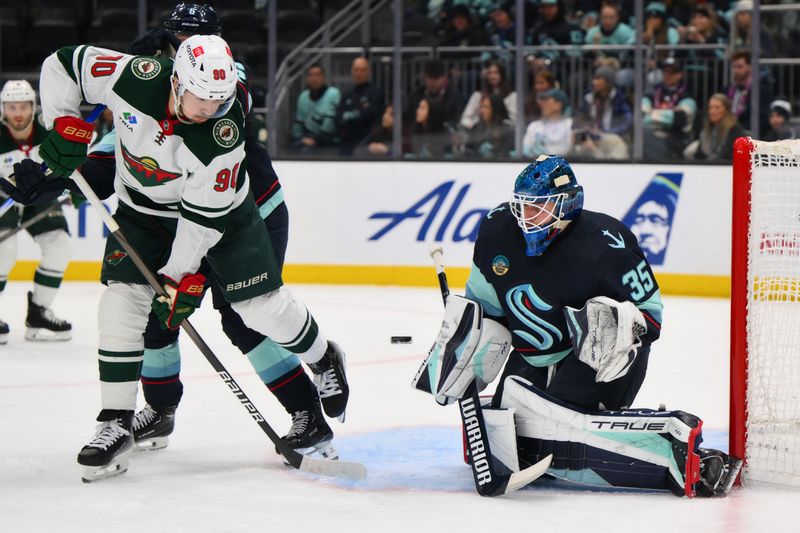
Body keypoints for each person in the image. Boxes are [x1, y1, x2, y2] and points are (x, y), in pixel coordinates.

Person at [25, 34, 350, 482]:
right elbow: (62, 63)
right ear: (176, 81)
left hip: (224, 221)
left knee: (258, 310)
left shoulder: (221, 135)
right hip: (142, 215)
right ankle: (114, 422)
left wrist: (178, 278)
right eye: (202, 99)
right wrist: (61, 125)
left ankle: (323, 356)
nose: (210, 110)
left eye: (220, 101)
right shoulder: (135, 77)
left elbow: (200, 224)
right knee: (121, 303)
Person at [90, 3, 335, 459]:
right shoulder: (167, 75)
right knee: (158, 316)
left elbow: (180, 138)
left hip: (247, 216)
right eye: (177, 37)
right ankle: (160, 409)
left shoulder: (221, 84)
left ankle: (307, 411)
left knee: (243, 316)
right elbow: (141, 134)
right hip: (182, 215)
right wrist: (88, 164)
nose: (182, 45)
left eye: (193, 37)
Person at [418, 155, 740, 497]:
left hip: (595, 362)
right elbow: (487, 308)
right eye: (522, 207)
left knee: (556, 429)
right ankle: (575, 429)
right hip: (533, 356)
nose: (527, 218)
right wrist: (464, 347)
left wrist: (615, 326)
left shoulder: (607, 243)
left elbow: (650, 316)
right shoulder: (498, 229)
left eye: (538, 208)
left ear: (568, 203)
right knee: (520, 435)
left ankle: (685, 455)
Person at [0, 80, 73, 343]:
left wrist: (70, 188)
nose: (17, 113)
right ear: (3, 109)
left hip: (38, 196)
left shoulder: (48, 132)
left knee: (60, 245)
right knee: (3, 253)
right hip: (3, 197)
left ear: (33, 107)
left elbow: (72, 160)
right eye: (11, 107)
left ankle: (39, 313)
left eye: (23, 106)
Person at [641, 57, 697, 160]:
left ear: (679, 75)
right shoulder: (653, 91)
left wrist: (652, 113)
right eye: (665, 72)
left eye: (671, 73)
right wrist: (668, 115)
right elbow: (642, 114)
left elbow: (680, 119)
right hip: (653, 134)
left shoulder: (687, 96)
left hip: (677, 138)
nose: (667, 75)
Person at [572, 65, 632, 160]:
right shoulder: (588, 98)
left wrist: (607, 133)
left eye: (598, 79)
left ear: (608, 81)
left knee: (617, 145)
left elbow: (627, 122)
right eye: (594, 79)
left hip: (613, 137)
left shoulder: (620, 98)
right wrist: (587, 135)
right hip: (591, 138)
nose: (594, 82)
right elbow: (579, 121)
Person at [335, 56, 385, 156]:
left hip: (366, 141)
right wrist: (357, 114)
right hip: (346, 143)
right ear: (352, 71)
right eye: (356, 70)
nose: (359, 73)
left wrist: (349, 116)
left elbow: (370, 115)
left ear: (368, 72)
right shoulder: (347, 94)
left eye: (362, 70)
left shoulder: (376, 92)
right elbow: (338, 117)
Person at [291, 63, 341, 153]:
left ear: (323, 77)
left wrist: (315, 140)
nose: (314, 78)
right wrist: (298, 139)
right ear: (307, 78)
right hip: (306, 141)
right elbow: (298, 123)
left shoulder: (333, 94)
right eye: (311, 75)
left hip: (328, 142)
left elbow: (330, 125)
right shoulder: (303, 96)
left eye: (317, 75)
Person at [459, 60, 516, 130]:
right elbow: (465, 118)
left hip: (503, 133)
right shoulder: (478, 95)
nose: (493, 76)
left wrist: (501, 125)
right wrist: (474, 126)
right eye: (490, 73)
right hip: (480, 133)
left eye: (496, 73)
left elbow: (515, 120)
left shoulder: (512, 96)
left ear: (502, 75)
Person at [725, 50, 772, 133]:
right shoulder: (727, 89)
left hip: (748, 133)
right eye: (734, 67)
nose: (735, 70)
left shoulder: (761, 90)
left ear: (750, 67)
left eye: (739, 66)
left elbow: (762, 119)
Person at [689, 93, 745, 161]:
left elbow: (728, 155)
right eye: (710, 107)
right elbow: (699, 154)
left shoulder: (734, 129)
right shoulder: (705, 130)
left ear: (726, 110)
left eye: (717, 107)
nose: (713, 111)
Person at [522, 88, 573, 157]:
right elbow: (525, 151)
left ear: (558, 105)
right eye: (542, 100)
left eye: (546, 100)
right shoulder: (534, 126)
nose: (541, 104)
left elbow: (569, 151)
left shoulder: (569, 125)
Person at [462, 94, 514, 159]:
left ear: (496, 109)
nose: (482, 111)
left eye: (487, 107)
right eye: (482, 107)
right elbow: (468, 150)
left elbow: (509, 154)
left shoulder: (507, 130)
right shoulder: (476, 127)